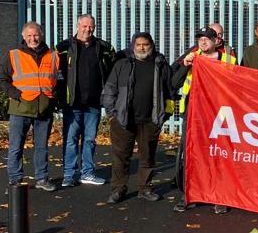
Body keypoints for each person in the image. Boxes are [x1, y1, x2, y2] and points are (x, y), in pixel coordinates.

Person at [102, 32, 174, 204]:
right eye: (139, 44)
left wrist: (165, 115)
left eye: (146, 44)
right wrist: (112, 114)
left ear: (152, 45)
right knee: (121, 157)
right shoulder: (122, 65)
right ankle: (118, 189)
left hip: (150, 121)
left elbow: (169, 92)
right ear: (133, 46)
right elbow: (109, 90)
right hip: (123, 119)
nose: (142, 48)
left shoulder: (161, 65)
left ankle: (145, 188)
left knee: (148, 157)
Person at [172, 26, 238, 214]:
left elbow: (238, 85)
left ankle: (219, 196)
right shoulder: (193, 58)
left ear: (216, 41)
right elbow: (174, 83)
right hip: (194, 114)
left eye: (207, 38)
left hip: (219, 116)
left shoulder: (228, 60)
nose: (202, 42)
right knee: (192, 154)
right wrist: (185, 65)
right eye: (200, 38)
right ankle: (189, 195)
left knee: (218, 155)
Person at [56, 14, 117, 187]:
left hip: (94, 103)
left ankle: (88, 173)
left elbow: (113, 70)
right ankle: (69, 174)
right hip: (72, 102)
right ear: (77, 26)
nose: (87, 29)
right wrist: (59, 96)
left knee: (90, 139)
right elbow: (56, 73)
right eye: (84, 26)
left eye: (91, 26)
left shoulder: (103, 47)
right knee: (71, 139)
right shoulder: (64, 47)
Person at [1, 22, 60, 192]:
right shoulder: (13, 55)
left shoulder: (53, 55)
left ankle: (42, 178)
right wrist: (16, 94)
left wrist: (54, 97)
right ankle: (15, 180)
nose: (33, 38)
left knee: (42, 146)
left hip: (44, 108)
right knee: (16, 146)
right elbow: (3, 78)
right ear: (24, 37)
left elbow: (58, 79)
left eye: (35, 35)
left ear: (41, 35)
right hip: (20, 108)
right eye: (29, 36)